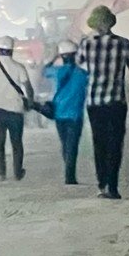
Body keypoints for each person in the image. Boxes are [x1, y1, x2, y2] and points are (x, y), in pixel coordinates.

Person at [75, 5, 129, 200]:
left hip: (94, 101)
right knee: (115, 143)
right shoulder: (123, 43)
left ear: (94, 25)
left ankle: (102, 184)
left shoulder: (86, 44)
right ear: (111, 23)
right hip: (116, 101)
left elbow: (80, 67)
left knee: (99, 143)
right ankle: (112, 186)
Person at [0, 36, 34, 180]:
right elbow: (28, 87)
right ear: (11, 51)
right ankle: (17, 173)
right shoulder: (19, 67)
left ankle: (1, 174)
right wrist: (30, 102)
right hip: (15, 110)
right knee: (17, 143)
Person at [40, 39, 89, 185]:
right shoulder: (83, 74)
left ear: (62, 56)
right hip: (75, 115)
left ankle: (68, 172)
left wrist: (54, 57)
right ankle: (70, 176)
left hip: (59, 114)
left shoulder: (57, 72)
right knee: (72, 145)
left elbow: (43, 70)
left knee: (65, 144)